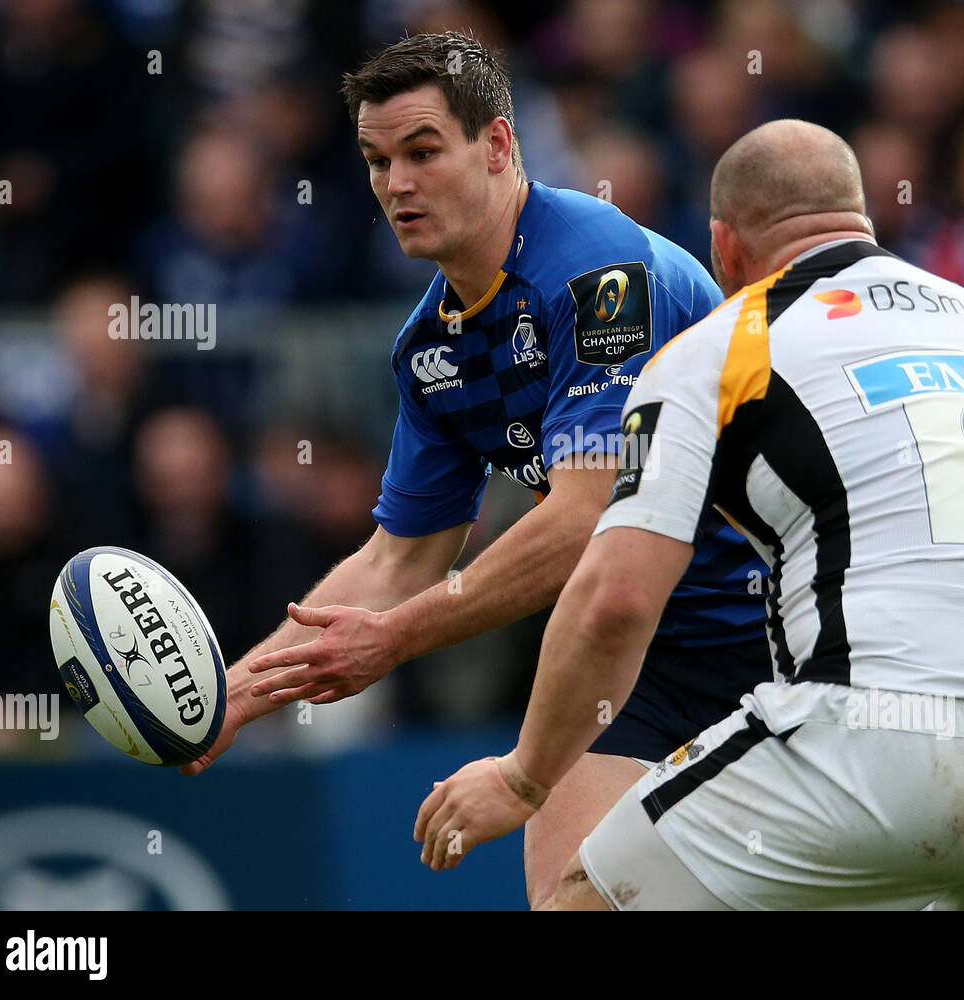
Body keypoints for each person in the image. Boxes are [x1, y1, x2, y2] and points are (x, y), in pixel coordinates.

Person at [416, 119, 964, 911]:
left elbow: (614, 601)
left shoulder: (719, 346)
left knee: (578, 901)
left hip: (869, 743)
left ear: (724, 247)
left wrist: (523, 778)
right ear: (861, 216)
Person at [178, 31, 771, 909]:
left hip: (778, 625)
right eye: (378, 162)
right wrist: (234, 691)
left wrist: (401, 635)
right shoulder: (430, 349)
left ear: (497, 145)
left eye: (423, 152)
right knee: (571, 898)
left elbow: (583, 521)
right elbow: (397, 559)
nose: (398, 185)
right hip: (640, 652)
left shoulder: (596, 271)